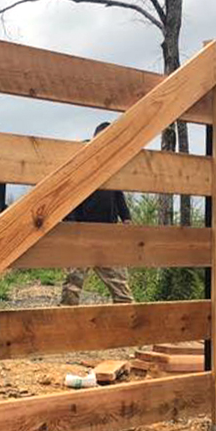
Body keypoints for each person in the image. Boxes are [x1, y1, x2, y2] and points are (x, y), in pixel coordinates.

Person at [60, 122, 134, 306]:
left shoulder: (113, 162)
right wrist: (71, 224)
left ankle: (127, 323)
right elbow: (67, 191)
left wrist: (126, 217)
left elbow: (118, 193)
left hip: (107, 231)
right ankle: (65, 323)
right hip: (81, 230)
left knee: (120, 285)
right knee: (73, 283)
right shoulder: (81, 156)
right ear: (95, 138)